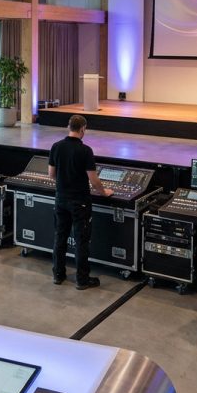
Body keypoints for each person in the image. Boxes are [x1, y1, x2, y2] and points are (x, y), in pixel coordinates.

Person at [48, 115, 112, 290]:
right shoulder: (85, 151)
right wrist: (104, 192)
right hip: (80, 203)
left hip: (60, 199)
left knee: (60, 237)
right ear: (83, 129)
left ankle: (57, 275)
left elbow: (51, 174)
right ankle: (82, 280)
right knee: (81, 241)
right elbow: (94, 180)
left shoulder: (56, 147)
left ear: (69, 127)